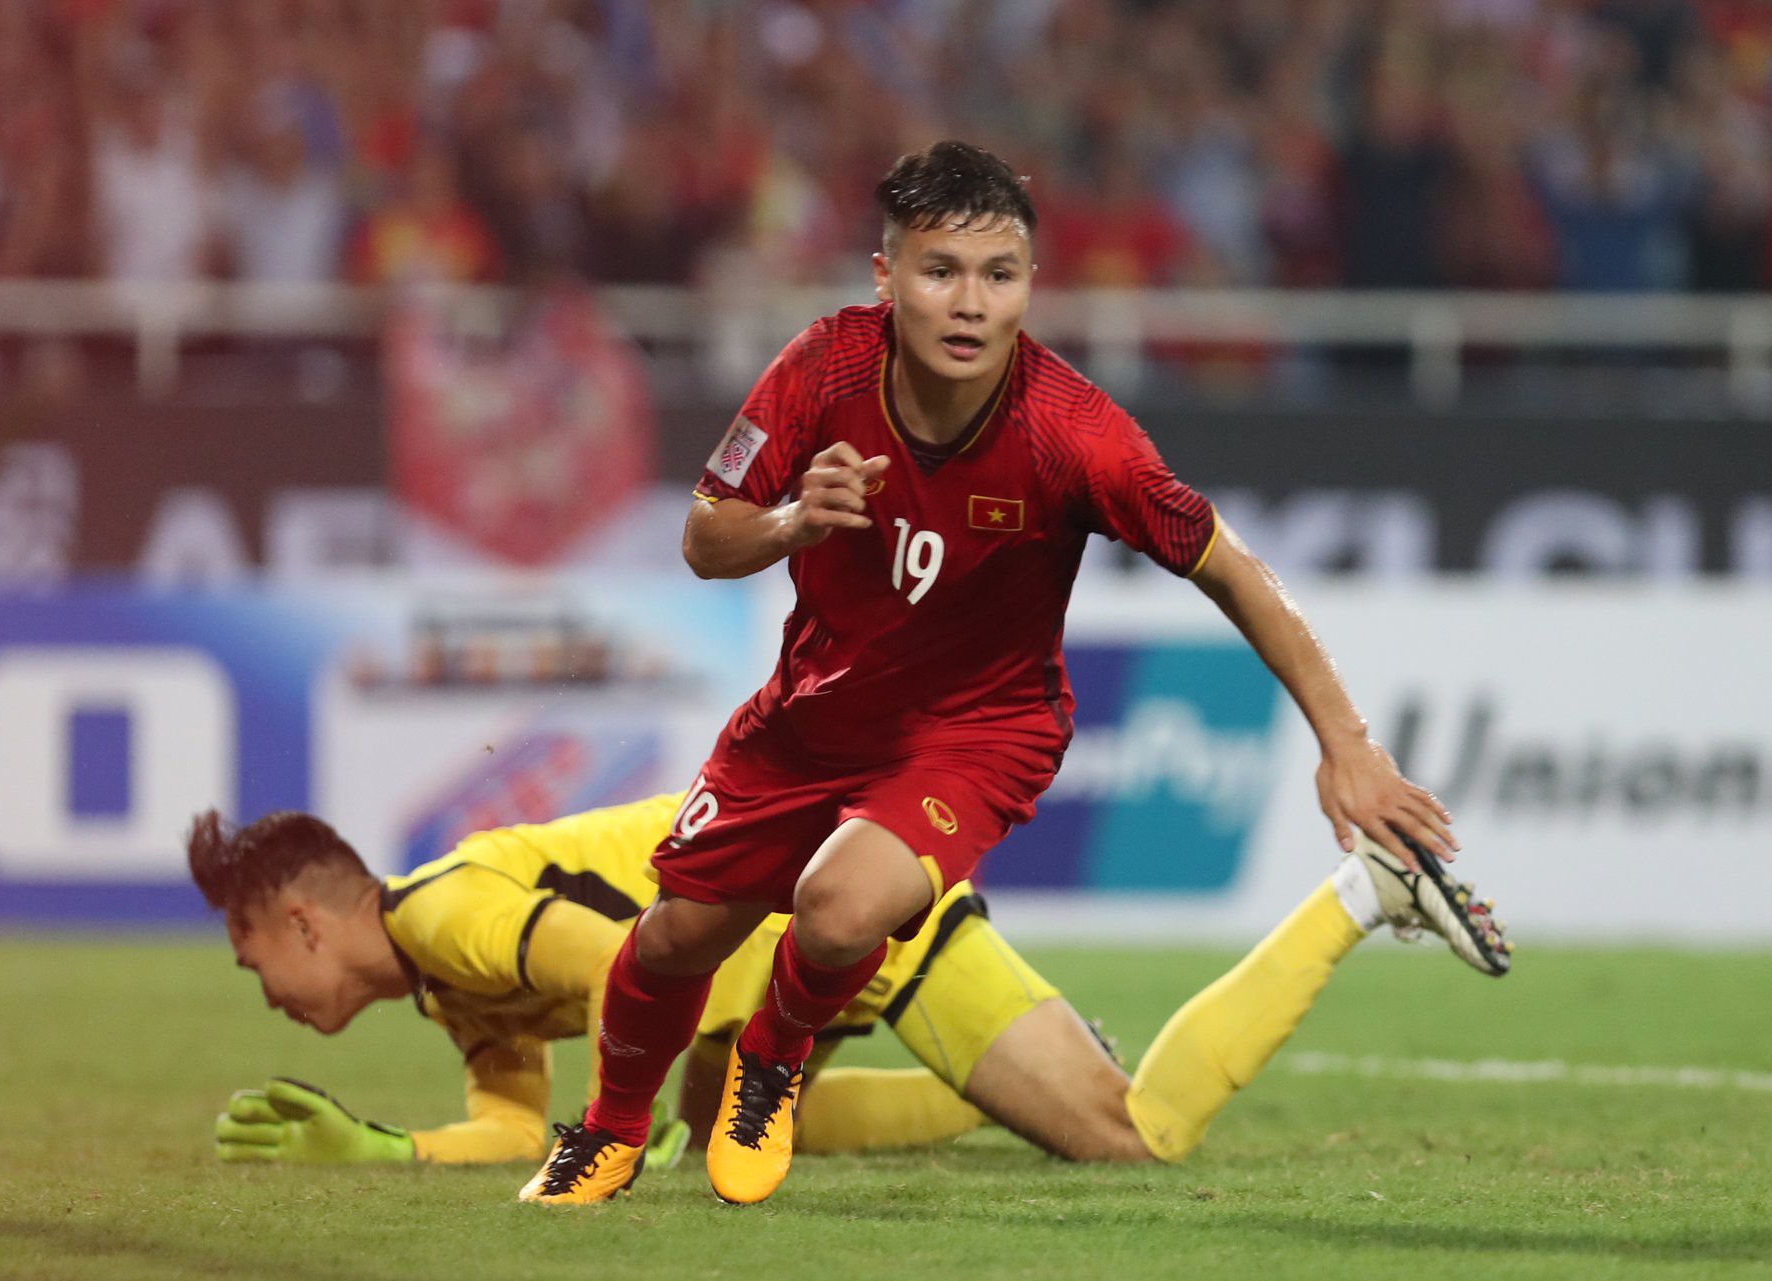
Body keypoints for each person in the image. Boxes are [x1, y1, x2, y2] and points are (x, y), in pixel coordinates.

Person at [522, 140, 1512, 1208]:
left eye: (998, 276)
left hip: (978, 730)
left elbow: (1235, 572)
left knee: (838, 911)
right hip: (811, 715)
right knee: (673, 939)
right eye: (939, 270)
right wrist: (790, 520)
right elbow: (703, 537)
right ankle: (610, 1136)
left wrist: (1346, 744)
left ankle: (774, 1058)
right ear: (884, 277)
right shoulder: (820, 368)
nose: (968, 304)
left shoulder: (1076, 438)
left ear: (1030, 285)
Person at [191, 793, 1504, 1173]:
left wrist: (626, 1117)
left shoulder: (451, 915)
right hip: (791, 953)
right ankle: (1003, 1086)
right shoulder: (441, 977)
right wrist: (379, 1153)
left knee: (1137, 1136)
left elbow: (623, 970)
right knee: (714, 1126)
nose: (262, 993)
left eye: (252, 958)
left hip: (852, 913)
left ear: (299, 918)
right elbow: (510, 1126)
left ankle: (1362, 892)